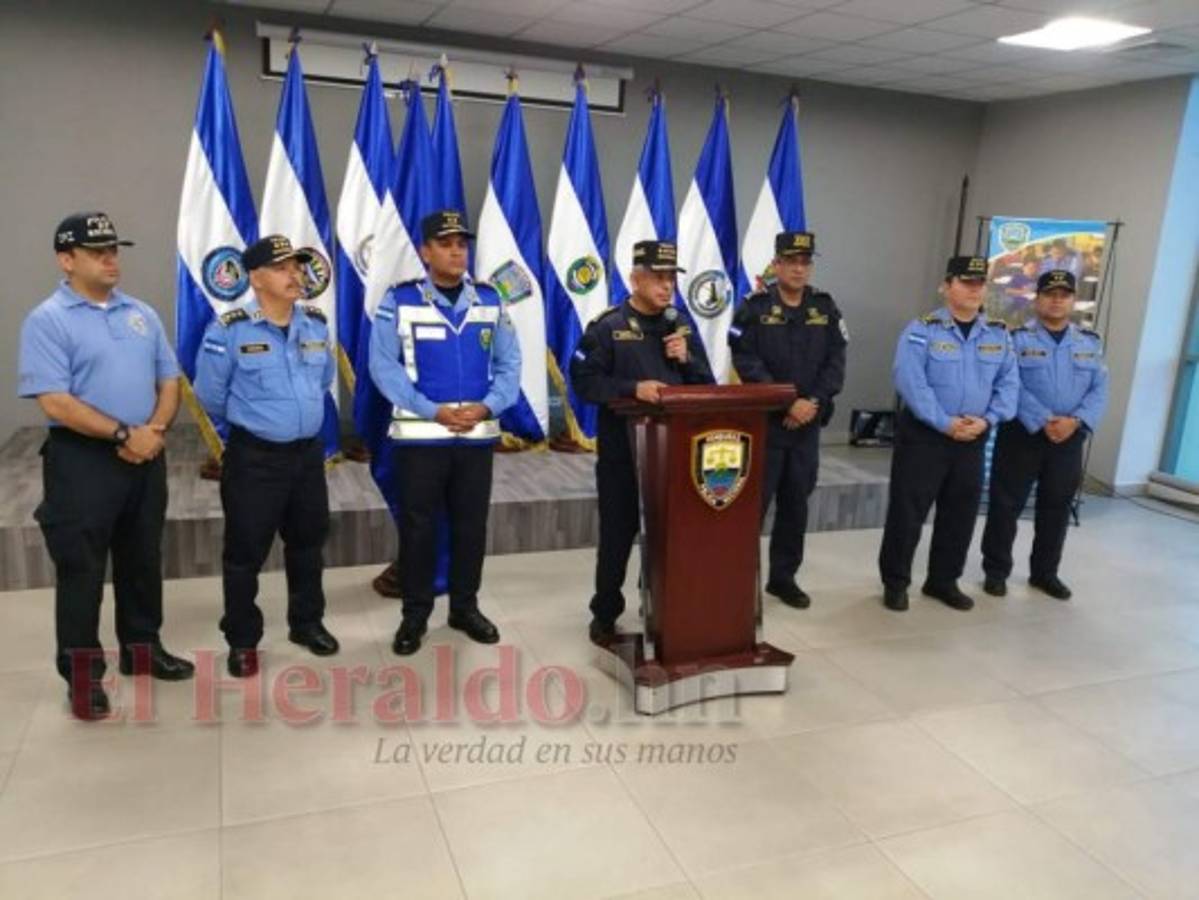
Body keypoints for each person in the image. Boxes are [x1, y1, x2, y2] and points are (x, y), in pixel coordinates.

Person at [18, 212, 193, 720]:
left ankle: (143, 649)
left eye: (114, 249)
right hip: (83, 461)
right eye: (97, 252)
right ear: (66, 260)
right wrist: (124, 434)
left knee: (142, 560)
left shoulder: (141, 313)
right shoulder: (48, 320)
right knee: (82, 571)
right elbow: (55, 400)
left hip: (145, 454)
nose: (111, 259)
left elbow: (169, 381)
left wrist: (152, 431)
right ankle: (82, 678)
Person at [368, 210, 521, 656]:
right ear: (425, 251)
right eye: (446, 243)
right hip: (421, 439)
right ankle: (415, 615)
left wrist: (488, 405)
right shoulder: (399, 300)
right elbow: (383, 366)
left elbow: (510, 363)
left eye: (461, 244)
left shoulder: (490, 300)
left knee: (471, 527)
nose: (457, 251)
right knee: (419, 530)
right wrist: (431, 410)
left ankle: (464, 608)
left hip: (475, 438)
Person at [194, 235, 340, 678]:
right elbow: (210, 395)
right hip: (255, 459)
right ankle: (242, 639)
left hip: (307, 457)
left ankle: (307, 623)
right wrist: (260, 420)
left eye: (296, 266)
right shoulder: (230, 329)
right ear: (255, 278)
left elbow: (323, 381)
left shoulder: (315, 324)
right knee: (245, 553)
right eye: (281, 268)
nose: (294, 275)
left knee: (308, 543)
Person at [570, 240, 714, 643]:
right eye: (658, 277)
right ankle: (605, 613)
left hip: (673, 455)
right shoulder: (608, 326)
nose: (667, 286)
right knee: (617, 537)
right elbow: (584, 382)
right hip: (623, 454)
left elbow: (706, 385)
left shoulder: (680, 325)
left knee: (669, 537)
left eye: (671, 278)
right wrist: (633, 388)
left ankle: (659, 606)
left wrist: (688, 359)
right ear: (635, 280)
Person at [877, 255, 1019, 612]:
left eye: (980, 283)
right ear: (946, 286)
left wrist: (988, 420)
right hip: (925, 437)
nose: (974, 289)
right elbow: (910, 382)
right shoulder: (922, 330)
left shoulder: (998, 334)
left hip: (973, 436)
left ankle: (943, 581)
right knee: (908, 513)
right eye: (966, 282)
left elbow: (1009, 384)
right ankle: (896, 583)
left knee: (960, 513)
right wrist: (944, 422)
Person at [729, 231, 847, 608]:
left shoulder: (824, 307)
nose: (799, 269)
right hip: (767, 425)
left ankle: (784, 578)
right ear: (776, 265)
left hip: (806, 426)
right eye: (791, 262)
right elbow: (745, 359)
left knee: (796, 505)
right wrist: (786, 402)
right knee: (753, 507)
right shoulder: (754, 307)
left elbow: (836, 361)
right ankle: (738, 580)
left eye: (805, 262)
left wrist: (812, 402)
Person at [981, 270, 1108, 600]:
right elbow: (1009, 383)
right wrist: (1043, 419)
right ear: (1037, 299)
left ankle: (1045, 573)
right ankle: (996, 572)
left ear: (1073, 301)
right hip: (1022, 434)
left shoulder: (1089, 343)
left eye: (1064, 295)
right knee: (1005, 506)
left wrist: (1075, 421)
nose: (1056, 300)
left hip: (1068, 438)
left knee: (1056, 507)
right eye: (1050, 294)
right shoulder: (1015, 339)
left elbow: (1098, 390)